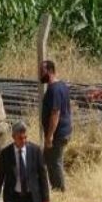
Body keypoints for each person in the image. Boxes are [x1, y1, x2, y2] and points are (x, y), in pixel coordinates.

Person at [39, 60, 72, 191]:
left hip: (57, 133)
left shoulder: (54, 89)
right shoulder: (62, 86)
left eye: (42, 71)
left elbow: (55, 113)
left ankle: (59, 190)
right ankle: (47, 188)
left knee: (54, 162)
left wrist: (50, 136)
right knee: (46, 160)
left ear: (50, 71)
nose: (40, 74)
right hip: (62, 131)